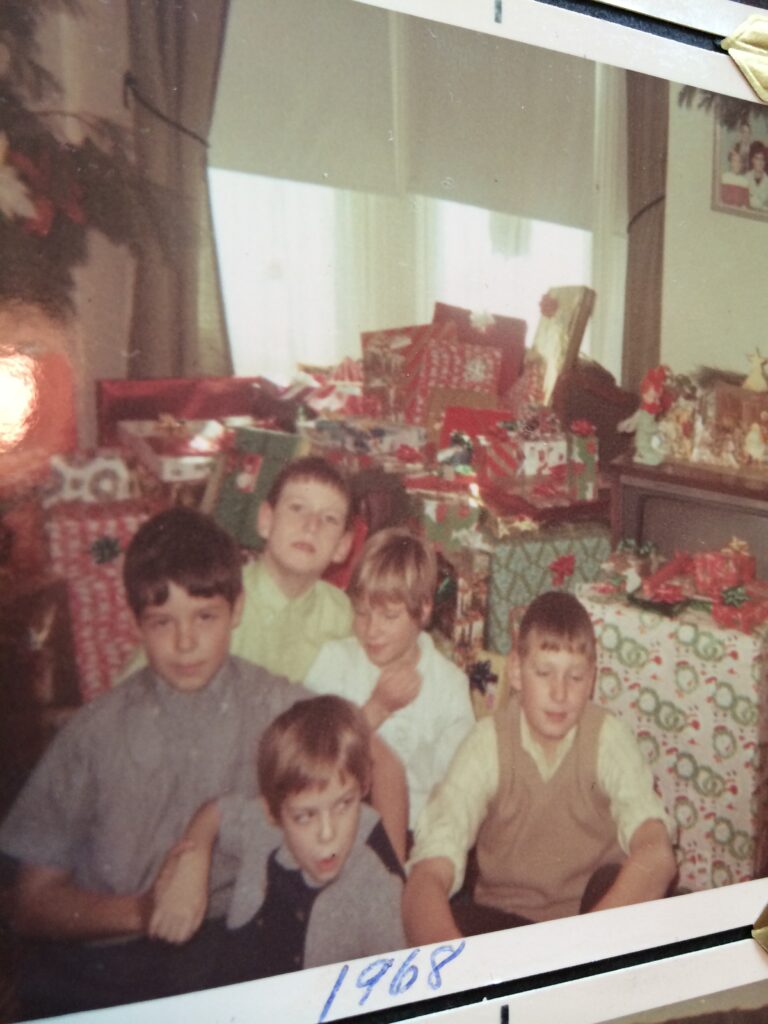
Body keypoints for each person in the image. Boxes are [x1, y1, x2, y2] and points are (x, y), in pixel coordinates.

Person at [0, 506, 405, 1018]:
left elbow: (380, 764)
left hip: (228, 950)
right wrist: (145, 910)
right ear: (135, 623)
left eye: (205, 616)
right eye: (162, 622)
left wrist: (394, 885)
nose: (185, 642)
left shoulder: (273, 706)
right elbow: (31, 902)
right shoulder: (94, 733)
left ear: (237, 609)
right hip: (103, 966)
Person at [402, 591, 677, 944]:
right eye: (544, 672)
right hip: (504, 920)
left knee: (629, 895)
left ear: (592, 678)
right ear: (516, 671)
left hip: (593, 920)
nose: (559, 693)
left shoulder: (607, 736)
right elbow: (429, 869)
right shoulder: (487, 743)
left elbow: (656, 853)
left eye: (575, 677)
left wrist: (580, 947)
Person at [149, 695, 406, 982]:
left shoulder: (378, 889)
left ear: (364, 788)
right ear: (272, 813)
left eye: (344, 804)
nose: (327, 833)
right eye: (305, 816)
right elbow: (216, 811)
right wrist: (192, 862)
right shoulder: (263, 826)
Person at [120, 455, 356, 684]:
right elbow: (131, 692)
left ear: (342, 547)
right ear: (266, 521)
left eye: (329, 519)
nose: (311, 526)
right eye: (297, 508)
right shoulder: (214, 596)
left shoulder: (340, 614)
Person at [306, 527, 475, 829]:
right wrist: (375, 710)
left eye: (389, 616)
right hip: (335, 827)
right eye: (362, 613)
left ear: (423, 610)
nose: (371, 630)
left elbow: (457, 789)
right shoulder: (335, 661)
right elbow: (308, 758)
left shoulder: (448, 685)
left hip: (416, 832)